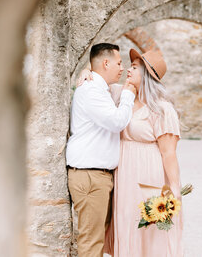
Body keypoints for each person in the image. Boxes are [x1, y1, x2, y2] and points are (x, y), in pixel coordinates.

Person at [78, 49, 183, 257]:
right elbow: (100, 73)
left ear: (146, 75)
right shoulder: (120, 93)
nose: (127, 69)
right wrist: (86, 69)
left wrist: (175, 189)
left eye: (134, 67)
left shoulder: (162, 109)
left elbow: (169, 154)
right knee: (125, 221)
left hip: (148, 176)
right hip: (124, 174)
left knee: (148, 227)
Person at [66, 43, 137, 257]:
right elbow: (117, 121)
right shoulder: (91, 91)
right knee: (91, 241)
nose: (122, 68)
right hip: (90, 176)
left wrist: (86, 70)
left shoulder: (100, 89)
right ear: (105, 63)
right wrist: (128, 94)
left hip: (98, 176)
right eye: (119, 62)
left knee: (97, 239)